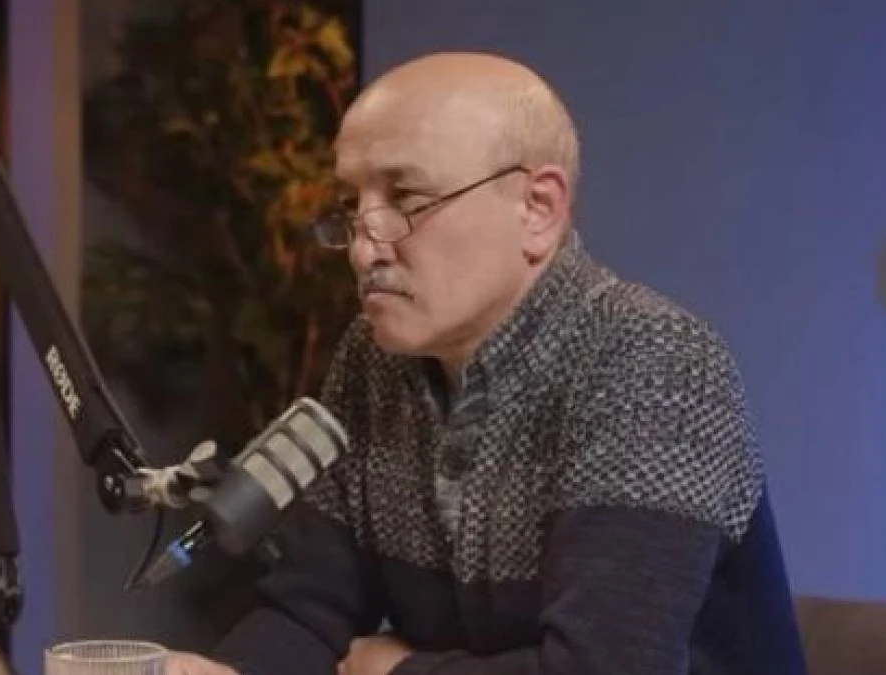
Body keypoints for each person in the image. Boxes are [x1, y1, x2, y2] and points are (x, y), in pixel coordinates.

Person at [167, 51, 806, 675]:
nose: (363, 249)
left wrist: (399, 672)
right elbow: (310, 611)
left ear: (538, 209)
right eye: (351, 206)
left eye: (406, 198)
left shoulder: (654, 360)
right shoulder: (373, 359)